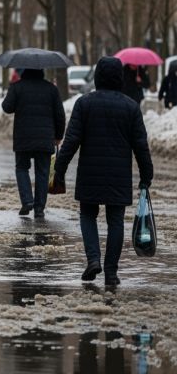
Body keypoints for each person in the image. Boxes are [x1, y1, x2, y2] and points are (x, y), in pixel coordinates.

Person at [53, 56, 153, 286]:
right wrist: (147, 174)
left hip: (90, 173)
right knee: (115, 220)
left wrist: (60, 168)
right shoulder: (131, 107)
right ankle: (111, 272)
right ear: (119, 78)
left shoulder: (84, 104)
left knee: (88, 215)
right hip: (119, 175)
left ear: (97, 77)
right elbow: (141, 145)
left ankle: (93, 259)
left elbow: (71, 141)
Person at [1, 68, 65, 218]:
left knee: (22, 168)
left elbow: (7, 107)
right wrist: (58, 136)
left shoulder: (17, 87)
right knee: (42, 173)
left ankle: (27, 200)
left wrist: (13, 91)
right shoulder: (51, 89)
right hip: (45, 138)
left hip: (23, 137)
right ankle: (39, 208)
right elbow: (60, 115)